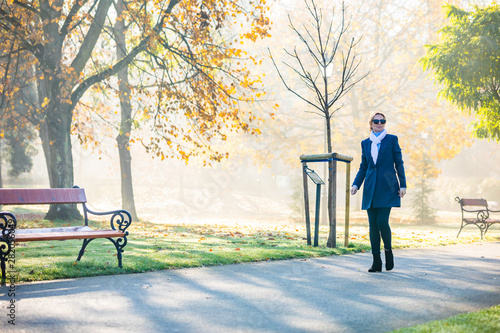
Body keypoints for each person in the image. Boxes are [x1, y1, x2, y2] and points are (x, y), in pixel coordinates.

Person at [350, 112, 406, 272]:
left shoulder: (392, 139)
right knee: (373, 225)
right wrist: (356, 184)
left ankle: (388, 251)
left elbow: (399, 163)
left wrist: (403, 184)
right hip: (370, 187)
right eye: (376, 121)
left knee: (382, 222)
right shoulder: (365, 143)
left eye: (382, 121)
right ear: (371, 123)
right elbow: (364, 166)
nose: (379, 123)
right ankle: (376, 262)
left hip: (388, 187)